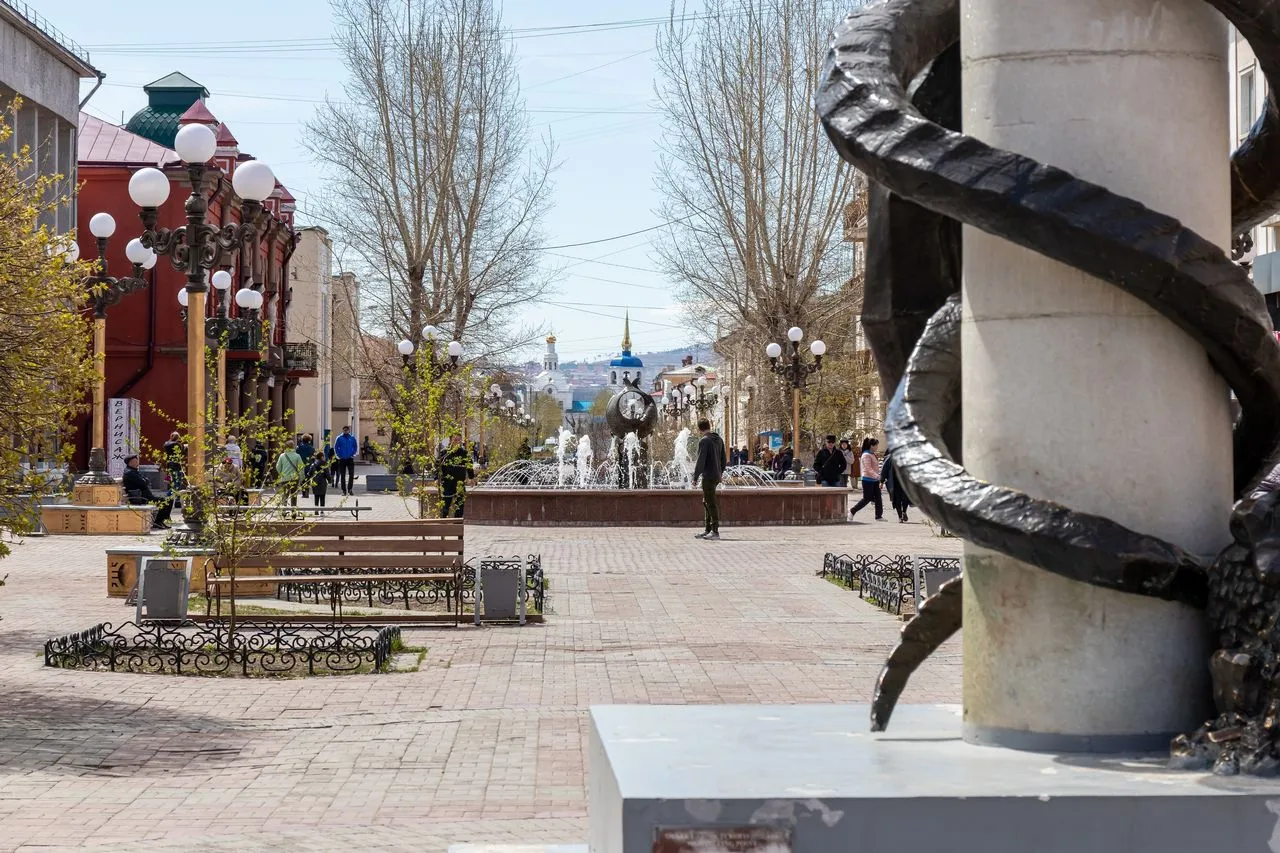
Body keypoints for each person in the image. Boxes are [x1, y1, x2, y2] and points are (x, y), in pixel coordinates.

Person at [692, 418, 727, 540]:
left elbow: (701, 461)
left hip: (708, 476)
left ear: (699, 429)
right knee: (706, 501)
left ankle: (715, 531)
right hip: (716, 475)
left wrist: (695, 477)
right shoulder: (719, 440)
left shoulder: (704, 441)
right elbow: (723, 459)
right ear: (709, 426)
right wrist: (720, 473)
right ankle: (708, 530)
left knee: (710, 503)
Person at [122, 454, 172, 531]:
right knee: (166, 501)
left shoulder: (134, 471)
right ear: (130, 462)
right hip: (139, 498)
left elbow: (146, 480)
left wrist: (145, 480)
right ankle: (158, 521)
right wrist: (145, 481)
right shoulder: (130, 473)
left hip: (145, 496)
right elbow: (144, 482)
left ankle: (160, 521)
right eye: (135, 461)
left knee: (168, 500)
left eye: (137, 461)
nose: (137, 463)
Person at [437, 434, 474, 518]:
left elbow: (469, 465)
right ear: (450, 440)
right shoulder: (444, 452)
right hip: (447, 483)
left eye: (459, 440)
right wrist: (437, 478)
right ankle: (442, 524)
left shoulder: (464, 453)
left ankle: (457, 525)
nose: (457, 442)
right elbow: (437, 466)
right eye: (455, 439)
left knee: (460, 506)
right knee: (445, 506)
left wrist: (471, 477)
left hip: (459, 483)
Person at [850, 436, 885, 521]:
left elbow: (875, 467)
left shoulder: (872, 454)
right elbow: (868, 469)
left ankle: (878, 516)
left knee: (878, 498)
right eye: (876, 445)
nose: (877, 447)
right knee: (867, 499)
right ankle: (852, 511)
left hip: (875, 480)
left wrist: (878, 476)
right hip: (867, 480)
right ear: (872, 446)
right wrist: (878, 476)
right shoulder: (866, 455)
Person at [881, 450, 911, 523]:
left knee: (905, 498)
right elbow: (884, 469)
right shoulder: (890, 458)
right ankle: (900, 516)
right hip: (894, 483)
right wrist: (881, 481)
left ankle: (904, 512)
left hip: (905, 482)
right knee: (897, 499)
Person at [275, 440, 305, 511]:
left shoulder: (282, 456)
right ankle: (293, 512)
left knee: (285, 495)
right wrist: (301, 478)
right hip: (295, 479)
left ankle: (283, 511)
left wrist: (281, 474)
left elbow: (277, 467)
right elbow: (301, 468)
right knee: (293, 496)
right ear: (293, 446)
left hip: (284, 479)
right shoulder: (297, 456)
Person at [334, 425, 358, 496]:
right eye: (344, 430)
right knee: (342, 475)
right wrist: (339, 455)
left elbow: (355, 446)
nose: (345, 431)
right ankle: (344, 491)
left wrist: (353, 453)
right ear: (342, 430)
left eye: (346, 430)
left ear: (349, 430)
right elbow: (336, 447)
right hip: (342, 459)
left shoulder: (352, 438)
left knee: (351, 474)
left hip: (350, 459)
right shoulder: (339, 438)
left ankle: (350, 489)